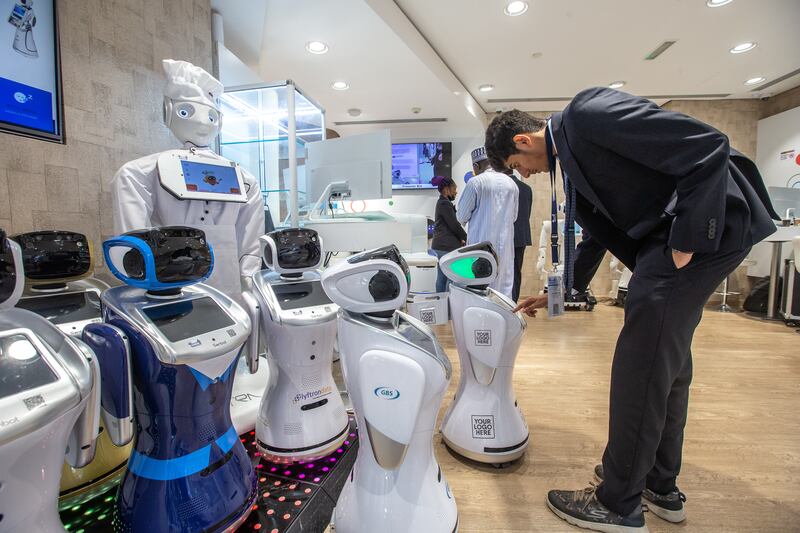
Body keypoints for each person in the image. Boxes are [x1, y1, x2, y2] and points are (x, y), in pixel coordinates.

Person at [485, 88, 778, 533]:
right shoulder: (574, 158)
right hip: (686, 242)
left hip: (697, 235)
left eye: (515, 166)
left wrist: (685, 242)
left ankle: (618, 503)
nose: (522, 175)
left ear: (522, 141)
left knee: (640, 366)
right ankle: (658, 484)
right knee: (668, 362)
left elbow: (707, 145)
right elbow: (598, 235)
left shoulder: (586, 114)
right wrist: (562, 290)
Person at [111, 59, 264, 305]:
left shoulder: (137, 172)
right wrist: (250, 285)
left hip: (182, 291)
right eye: (188, 112)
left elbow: (251, 245)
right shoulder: (141, 172)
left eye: (210, 116)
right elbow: (251, 248)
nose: (203, 122)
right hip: (180, 290)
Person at [457, 147, 518, 298]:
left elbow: (461, 216)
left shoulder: (475, 182)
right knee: (502, 293)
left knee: (480, 293)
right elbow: (514, 217)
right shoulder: (511, 184)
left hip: (480, 248)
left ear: (476, 167)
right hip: (506, 250)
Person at [430, 176, 467, 293]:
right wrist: (467, 238)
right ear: (446, 189)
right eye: (454, 189)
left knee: (442, 278)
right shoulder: (445, 204)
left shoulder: (441, 202)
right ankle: (447, 305)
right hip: (446, 248)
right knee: (450, 279)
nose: (456, 192)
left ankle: (441, 305)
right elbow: (454, 225)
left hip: (441, 247)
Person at [510, 169, 533, 302]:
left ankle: (504, 302)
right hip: (521, 236)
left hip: (506, 236)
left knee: (503, 272)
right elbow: (527, 213)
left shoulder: (505, 188)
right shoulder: (526, 188)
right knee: (516, 272)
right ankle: (513, 302)